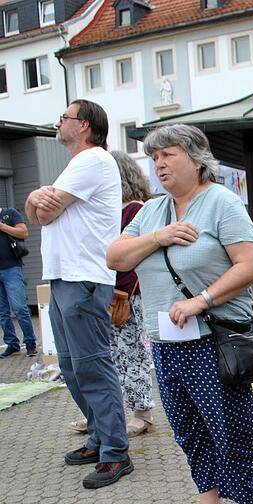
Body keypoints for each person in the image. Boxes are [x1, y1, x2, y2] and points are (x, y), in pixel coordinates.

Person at [107, 124, 253, 504]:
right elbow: (115, 256)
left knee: (229, 430)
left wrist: (202, 300)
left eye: (168, 155)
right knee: (188, 429)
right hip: (166, 342)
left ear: (196, 159)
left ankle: (242, 498)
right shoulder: (151, 211)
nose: (159, 165)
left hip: (215, 338)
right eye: (154, 158)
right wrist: (160, 236)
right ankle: (208, 498)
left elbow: (250, 264)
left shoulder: (221, 202)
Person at [24, 99, 132, 488]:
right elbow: (35, 210)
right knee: (71, 365)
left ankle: (115, 453)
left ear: (83, 125)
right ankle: (99, 437)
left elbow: (45, 214)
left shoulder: (92, 161)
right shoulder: (77, 164)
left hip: (83, 278)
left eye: (63, 118)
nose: (57, 123)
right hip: (67, 278)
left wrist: (39, 201)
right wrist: (36, 199)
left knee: (91, 364)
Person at [68, 151, 157, 436]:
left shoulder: (135, 210)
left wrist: (120, 290)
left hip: (126, 294)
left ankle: (142, 412)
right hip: (108, 292)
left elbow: (131, 257)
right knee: (111, 356)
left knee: (132, 354)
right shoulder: (112, 211)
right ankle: (110, 414)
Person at [0, 206, 37, 358]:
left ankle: (30, 343)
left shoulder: (10, 214)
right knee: (2, 312)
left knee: (19, 308)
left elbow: (24, 233)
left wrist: (1, 226)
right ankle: (12, 344)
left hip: (11, 268)